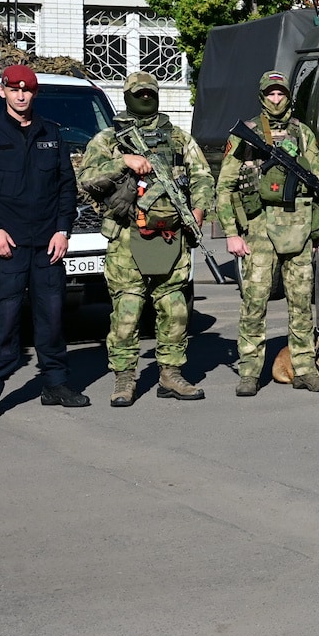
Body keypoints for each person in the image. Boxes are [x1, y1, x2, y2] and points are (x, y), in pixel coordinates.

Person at [0, 64, 89, 419]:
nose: (21, 96)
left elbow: (66, 186)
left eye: (27, 90)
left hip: (47, 244)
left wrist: (63, 230)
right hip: (5, 245)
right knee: (1, 318)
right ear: (2, 92)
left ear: (35, 93)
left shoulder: (51, 133)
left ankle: (56, 384)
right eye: (14, 89)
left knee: (52, 317)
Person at [77, 72, 215, 407]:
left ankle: (170, 374)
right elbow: (86, 178)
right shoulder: (108, 139)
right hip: (127, 237)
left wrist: (198, 211)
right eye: (138, 93)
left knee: (175, 310)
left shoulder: (178, 138)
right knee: (127, 312)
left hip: (171, 237)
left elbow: (202, 176)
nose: (145, 98)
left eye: (150, 93)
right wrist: (122, 161)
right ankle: (124, 378)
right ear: (127, 96)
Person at [217, 71, 319, 396]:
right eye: (271, 94)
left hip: (298, 227)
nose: (276, 99)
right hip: (259, 228)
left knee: (301, 302)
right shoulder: (247, 133)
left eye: (281, 93)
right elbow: (225, 186)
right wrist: (231, 233)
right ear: (262, 96)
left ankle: (304, 369)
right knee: (254, 302)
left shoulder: (302, 133)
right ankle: (249, 372)